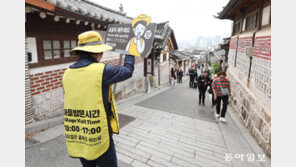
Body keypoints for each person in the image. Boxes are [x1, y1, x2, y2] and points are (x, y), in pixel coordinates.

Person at [62, 31, 135, 167]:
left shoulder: (66, 73)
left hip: (79, 135)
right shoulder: (101, 71)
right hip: (99, 135)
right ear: (96, 53)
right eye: (101, 52)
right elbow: (127, 71)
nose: (101, 56)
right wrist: (130, 52)